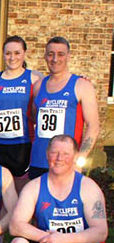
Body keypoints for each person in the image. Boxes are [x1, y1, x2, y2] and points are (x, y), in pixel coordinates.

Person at [27, 37, 99, 180]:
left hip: (66, 164)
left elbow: (94, 126)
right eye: (50, 54)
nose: (55, 59)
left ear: (69, 56)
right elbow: (34, 118)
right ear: (45, 56)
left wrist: (79, 159)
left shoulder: (81, 85)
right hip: (38, 161)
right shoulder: (38, 86)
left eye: (61, 54)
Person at [0, 36, 43, 192]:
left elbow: (49, 98)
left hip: (23, 144)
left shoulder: (34, 78)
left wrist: (82, 79)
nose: (12, 57)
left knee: (21, 192)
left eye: (17, 53)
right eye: (8, 53)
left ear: (24, 53)